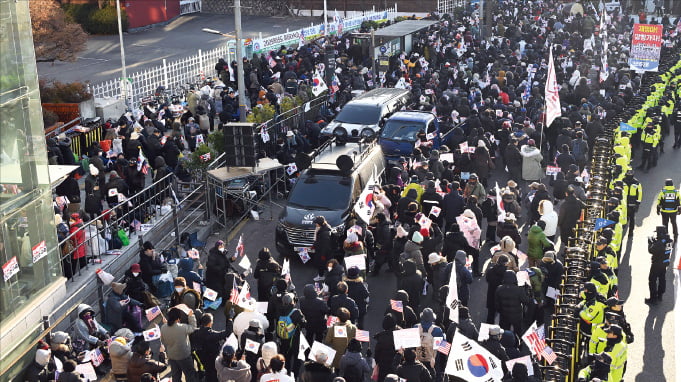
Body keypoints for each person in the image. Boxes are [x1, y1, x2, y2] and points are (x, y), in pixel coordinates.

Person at [160, 306, 198, 381]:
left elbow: (163, 341)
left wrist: (165, 324)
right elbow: (193, 328)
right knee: (190, 375)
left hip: (172, 356)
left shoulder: (163, 327)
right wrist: (191, 316)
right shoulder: (182, 327)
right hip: (184, 355)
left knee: (176, 376)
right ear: (178, 318)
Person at [191, 313, 231, 382]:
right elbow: (227, 332)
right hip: (212, 359)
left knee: (206, 372)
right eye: (212, 321)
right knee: (213, 374)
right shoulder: (212, 334)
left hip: (201, 357)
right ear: (209, 323)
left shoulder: (195, 332)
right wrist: (230, 319)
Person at [645, 226, 674, 304]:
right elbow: (662, 246)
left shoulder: (660, 242)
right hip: (665, 262)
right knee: (662, 279)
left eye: (657, 233)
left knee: (652, 280)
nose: (656, 235)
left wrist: (650, 243)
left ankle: (653, 299)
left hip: (657, 264)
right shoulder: (669, 240)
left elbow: (651, 250)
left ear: (660, 233)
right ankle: (660, 295)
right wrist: (656, 241)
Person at [622, 169, 642, 237]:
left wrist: (638, 202)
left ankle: (631, 231)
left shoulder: (636, 182)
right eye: (628, 174)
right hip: (624, 203)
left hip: (632, 203)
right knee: (624, 216)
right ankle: (623, 227)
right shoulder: (623, 181)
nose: (629, 175)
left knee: (632, 218)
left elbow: (640, 193)